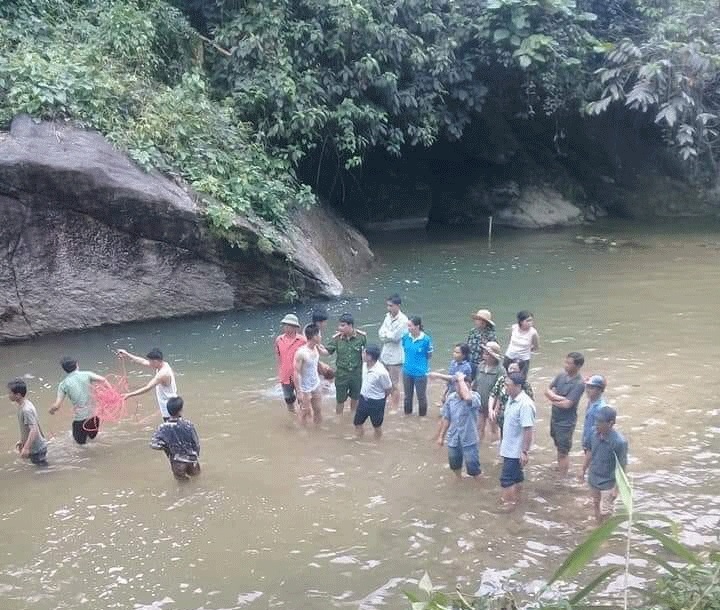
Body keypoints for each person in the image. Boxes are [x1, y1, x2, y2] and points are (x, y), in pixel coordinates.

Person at [580, 406, 628, 523]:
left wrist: (617, 489)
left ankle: (605, 535)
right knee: (596, 503)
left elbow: (622, 466)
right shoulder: (593, 432)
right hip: (594, 476)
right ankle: (598, 526)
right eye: (596, 420)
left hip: (608, 481)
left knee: (606, 510)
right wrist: (582, 470)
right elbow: (589, 453)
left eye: (600, 422)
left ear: (611, 423)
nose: (597, 424)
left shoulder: (619, 442)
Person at [49, 357, 111, 445]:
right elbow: (104, 380)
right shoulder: (87, 374)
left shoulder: (63, 384)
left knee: (80, 446)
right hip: (94, 418)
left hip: (80, 421)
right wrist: (112, 393)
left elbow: (57, 405)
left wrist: (51, 411)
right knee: (93, 440)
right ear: (77, 364)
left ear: (64, 370)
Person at [544, 352, 586, 477]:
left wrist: (552, 398)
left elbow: (567, 404)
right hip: (555, 417)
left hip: (566, 422)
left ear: (577, 366)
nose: (565, 365)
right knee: (558, 445)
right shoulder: (561, 376)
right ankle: (560, 468)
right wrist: (558, 398)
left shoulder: (579, 384)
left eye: (569, 363)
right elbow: (547, 390)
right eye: (565, 362)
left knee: (563, 451)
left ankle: (562, 478)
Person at [499, 373, 536, 509]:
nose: (505, 387)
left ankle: (508, 506)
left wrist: (524, 451)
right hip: (508, 447)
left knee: (506, 479)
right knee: (517, 477)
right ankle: (518, 501)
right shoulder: (511, 398)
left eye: (508, 385)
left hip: (515, 451)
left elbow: (528, 429)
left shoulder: (525, 404)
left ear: (518, 386)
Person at [436, 372, 482, 479]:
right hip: (454, 438)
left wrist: (461, 380)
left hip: (469, 440)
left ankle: (479, 487)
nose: (459, 387)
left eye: (463, 385)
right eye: (457, 384)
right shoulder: (451, 398)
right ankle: (459, 480)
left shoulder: (475, 397)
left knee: (474, 470)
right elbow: (447, 418)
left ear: (470, 386)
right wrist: (441, 437)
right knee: (455, 466)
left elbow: (467, 399)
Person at [119, 348, 177, 421]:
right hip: (171, 403)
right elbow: (143, 361)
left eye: (150, 362)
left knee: (171, 428)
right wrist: (127, 354)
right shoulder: (163, 364)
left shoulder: (163, 374)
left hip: (169, 406)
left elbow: (147, 388)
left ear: (155, 361)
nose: (149, 363)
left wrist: (129, 395)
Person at [150, 396, 201, 481]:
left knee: (182, 485)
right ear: (180, 410)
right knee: (197, 480)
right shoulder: (188, 425)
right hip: (192, 460)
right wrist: (196, 455)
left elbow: (153, 444)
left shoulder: (163, 427)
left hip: (177, 462)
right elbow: (196, 443)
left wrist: (167, 447)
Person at [326, 313, 367, 415]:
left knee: (355, 398)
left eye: (343, 325)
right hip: (341, 374)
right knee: (340, 400)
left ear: (350, 325)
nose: (339, 328)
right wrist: (315, 346)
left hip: (356, 374)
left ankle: (353, 417)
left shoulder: (361, 337)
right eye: (340, 325)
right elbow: (327, 352)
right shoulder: (336, 339)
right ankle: (339, 418)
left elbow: (367, 354)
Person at [489, 359, 534, 441]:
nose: (511, 371)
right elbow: (494, 394)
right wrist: (492, 409)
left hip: (516, 420)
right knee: (504, 440)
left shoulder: (524, 385)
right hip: (503, 418)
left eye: (514, 369)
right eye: (510, 368)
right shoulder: (502, 380)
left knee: (517, 440)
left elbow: (529, 404)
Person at [354, 345, 392, 439]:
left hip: (376, 402)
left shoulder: (381, 372)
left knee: (377, 425)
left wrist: (382, 399)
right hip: (363, 399)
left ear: (370, 356)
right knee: (357, 422)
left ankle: (377, 442)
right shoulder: (364, 366)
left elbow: (388, 388)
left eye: (364, 353)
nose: (362, 355)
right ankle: (358, 439)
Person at [378, 294, 409, 411]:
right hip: (385, 354)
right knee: (383, 381)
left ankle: (394, 408)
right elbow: (380, 332)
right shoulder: (387, 316)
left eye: (391, 306)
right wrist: (387, 335)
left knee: (394, 383)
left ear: (398, 306)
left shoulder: (403, 320)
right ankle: (385, 403)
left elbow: (396, 337)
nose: (388, 308)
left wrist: (386, 335)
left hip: (396, 357)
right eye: (387, 306)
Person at [8, 379, 48, 466]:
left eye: (10, 393)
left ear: (18, 395)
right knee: (40, 469)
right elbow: (28, 427)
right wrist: (22, 440)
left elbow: (33, 429)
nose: (9, 395)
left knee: (43, 472)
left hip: (37, 449)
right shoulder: (23, 404)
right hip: (36, 447)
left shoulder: (26, 410)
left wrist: (26, 448)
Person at [274, 313, 306, 414]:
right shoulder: (279, 340)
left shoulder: (302, 340)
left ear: (295, 327)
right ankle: (292, 417)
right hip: (285, 376)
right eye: (285, 325)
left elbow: (307, 358)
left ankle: (303, 419)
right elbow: (279, 358)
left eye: (289, 325)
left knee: (303, 400)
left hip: (300, 376)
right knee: (289, 400)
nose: (286, 327)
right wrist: (279, 374)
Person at [401, 316, 433, 416]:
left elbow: (429, 355)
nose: (408, 328)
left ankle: (422, 417)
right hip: (407, 371)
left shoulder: (426, 339)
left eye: (410, 326)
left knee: (421, 397)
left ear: (417, 326)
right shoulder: (405, 337)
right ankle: (407, 415)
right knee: (407, 397)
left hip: (420, 373)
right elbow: (405, 350)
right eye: (408, 326)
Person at [294, 324, 324, 425]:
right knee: (304, 412)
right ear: (314, 336)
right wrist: (299, 392)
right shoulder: (301, 353)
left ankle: (317, 430)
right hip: (304, 387)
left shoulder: (317, 347)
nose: (321, 337)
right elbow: (296, 373)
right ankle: (302, 432)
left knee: (318, 410)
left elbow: (326, 353)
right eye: (319, 335)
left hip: (316, 383)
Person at [473, 341, 503, 440]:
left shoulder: (500, 370)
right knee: (479, 427)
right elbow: (476, 383)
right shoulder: (481, 366)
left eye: (487, 354)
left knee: (494, 428)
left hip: (493, 405)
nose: (484, 356)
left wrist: (496, 408)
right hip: (480, 402)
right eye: (484, 353)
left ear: (493, 356)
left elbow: (501, 390)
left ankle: (495, 447)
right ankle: (479, 448)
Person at [503, 311, 539, 375]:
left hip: (523, 359)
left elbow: (536, 347)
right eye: (527, 321)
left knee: (520, 379)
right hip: (510, 356)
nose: (530, 323)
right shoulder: (514, 328)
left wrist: (526, 350)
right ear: (521, 321)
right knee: (505, 376)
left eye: (531, 320)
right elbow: (510, 339)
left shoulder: (533, 333)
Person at [581, 375, 608, 455]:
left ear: (600, 390)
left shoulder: (601, 408)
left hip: (594, 446)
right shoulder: (591, 402)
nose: (588, 390)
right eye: (587, 387)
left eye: (591, 388)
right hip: (588, 442)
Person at [467, 309, 497, 376]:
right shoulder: (473, 331)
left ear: (484, 322)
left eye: (478, 319)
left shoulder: (490, 334)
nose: (476, 321)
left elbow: (493, 351)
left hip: (481, 364)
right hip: (471, 360)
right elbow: (468, 345)